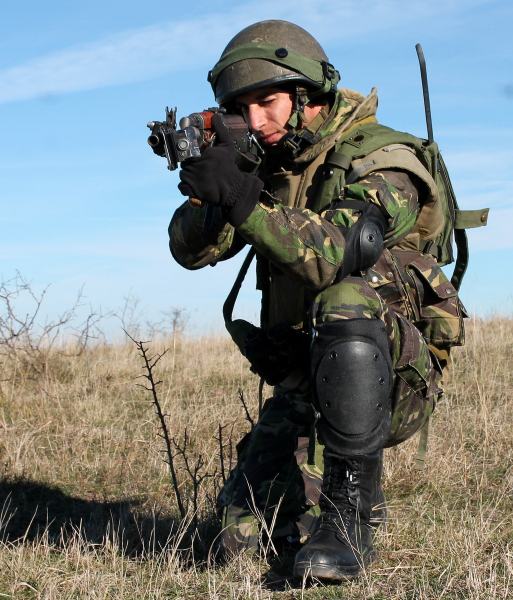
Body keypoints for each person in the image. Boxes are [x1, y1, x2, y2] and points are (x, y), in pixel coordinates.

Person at [169, 20, 450, 581]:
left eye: (267, 103)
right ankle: (321, 501)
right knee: (239, 544)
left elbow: (340, 249)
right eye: (241, 109)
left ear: (307, 93)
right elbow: (190, 252)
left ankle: (351, 521)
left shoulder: (384, 157)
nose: (255, 121)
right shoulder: (267, 166)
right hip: (304, 381)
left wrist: (245, 201)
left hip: (390, 377)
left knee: (346, 293)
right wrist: (209, 190)